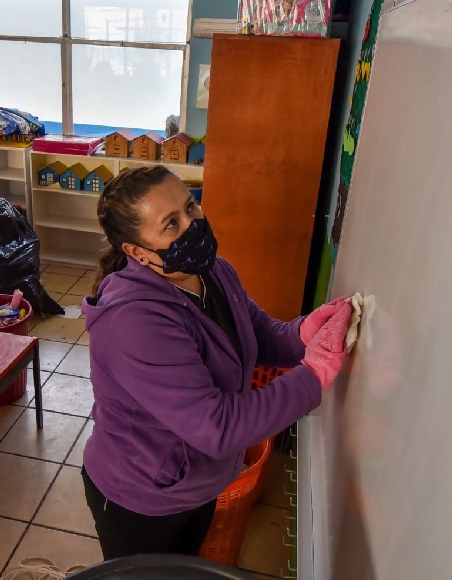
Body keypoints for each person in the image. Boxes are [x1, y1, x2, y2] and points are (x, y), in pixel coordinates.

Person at [80, 165, 353, 560]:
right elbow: (219, 426)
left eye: (190, 206)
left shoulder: (213, 271)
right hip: (142, 496)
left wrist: (303, 334)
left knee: (183, 566)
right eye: (171, 224)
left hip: (199, 482)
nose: (192, 224)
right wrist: (313, 375)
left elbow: (257, 334)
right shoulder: (134, 322)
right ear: (137, 252)